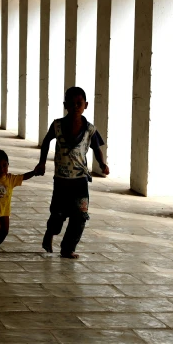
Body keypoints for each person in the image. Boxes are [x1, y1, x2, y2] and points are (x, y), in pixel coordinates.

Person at [34, 86, 109, 259]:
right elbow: (46, 142)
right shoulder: (57, 125)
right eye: (71, 103)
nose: (75, 106)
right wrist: (42, 163)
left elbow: (96, 148)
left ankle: (68, 248)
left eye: (79, 103)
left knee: (80, 216)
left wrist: (102, 164)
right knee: (58, 214)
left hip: (80, 181)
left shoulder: (90, 129)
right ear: (65, 105)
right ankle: (50, 233)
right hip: (61, 180)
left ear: (86, 105)